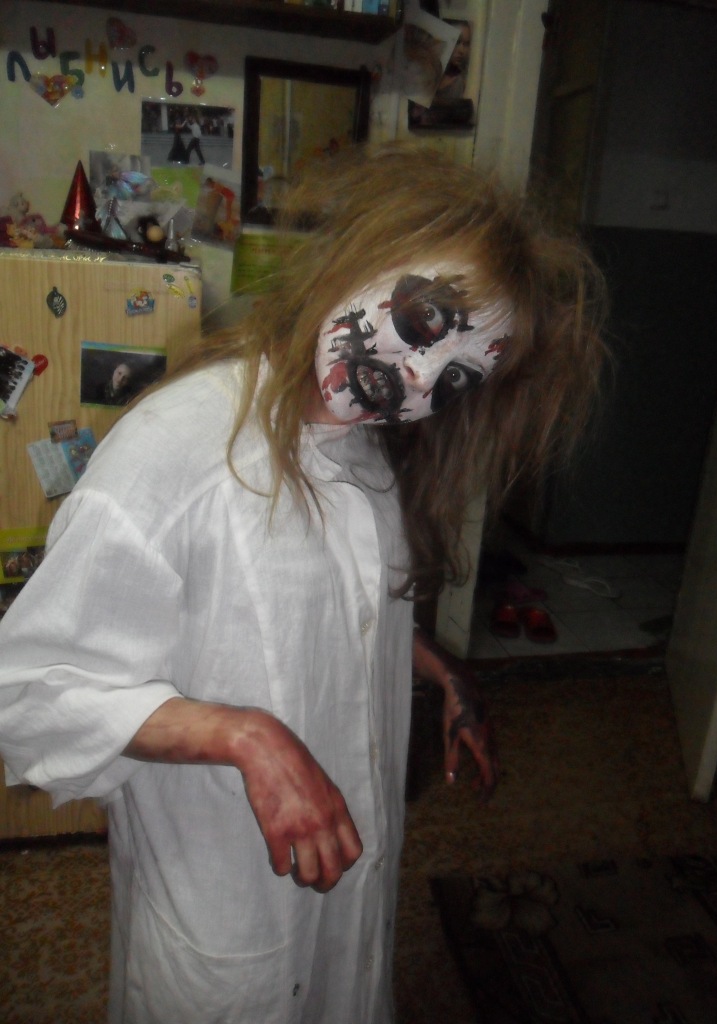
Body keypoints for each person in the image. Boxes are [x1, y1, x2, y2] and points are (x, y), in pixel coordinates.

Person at [0, 145, 607, 1024]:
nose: (421, 380)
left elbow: (310, 606)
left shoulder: (367, 451)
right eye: (427, 323)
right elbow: (27, 690)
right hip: (229, 896)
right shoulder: (176, 452)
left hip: (347, 877)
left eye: (458, 378)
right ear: (361, 258)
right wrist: (243, 735)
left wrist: (436, 667)